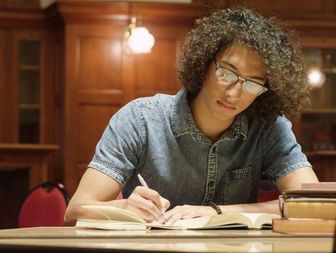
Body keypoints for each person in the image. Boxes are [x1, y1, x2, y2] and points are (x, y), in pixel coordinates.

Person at [64, 8, 319, 226]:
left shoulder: (269, 128)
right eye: (227, 73)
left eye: (252, 83)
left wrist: (216, 213)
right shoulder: (140, 120)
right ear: (205, 64)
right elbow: (74, 211)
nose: (235, 93)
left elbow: (314, 206)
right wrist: (125, 209)